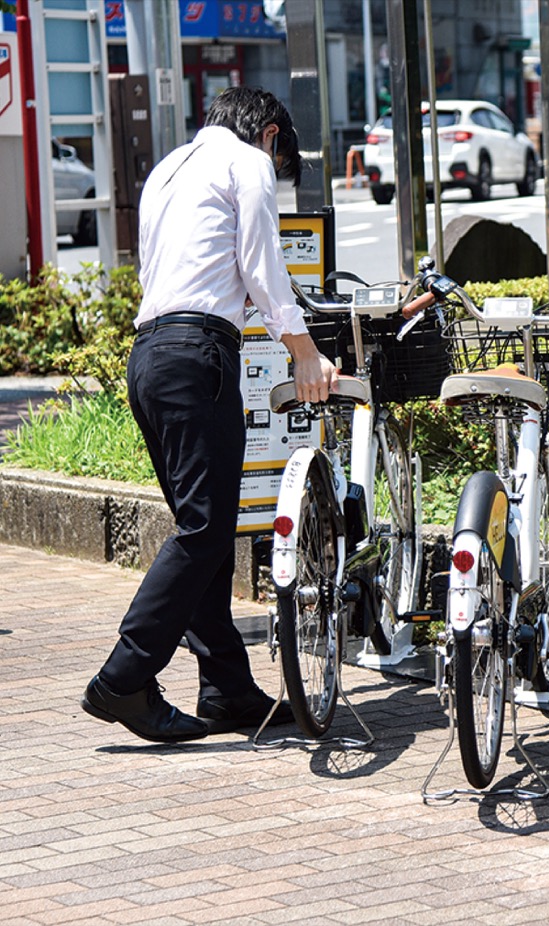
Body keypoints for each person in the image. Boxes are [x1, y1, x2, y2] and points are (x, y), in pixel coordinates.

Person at [81, 87, 338, 743]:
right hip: (200, 355)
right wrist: (304, 354)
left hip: (149, 357)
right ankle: (124, 677)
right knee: (204, 528)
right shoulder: (247, 162)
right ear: (272, 135)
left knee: (207, 531)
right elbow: (262, 263)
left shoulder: (169, 167)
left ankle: (225, 688)